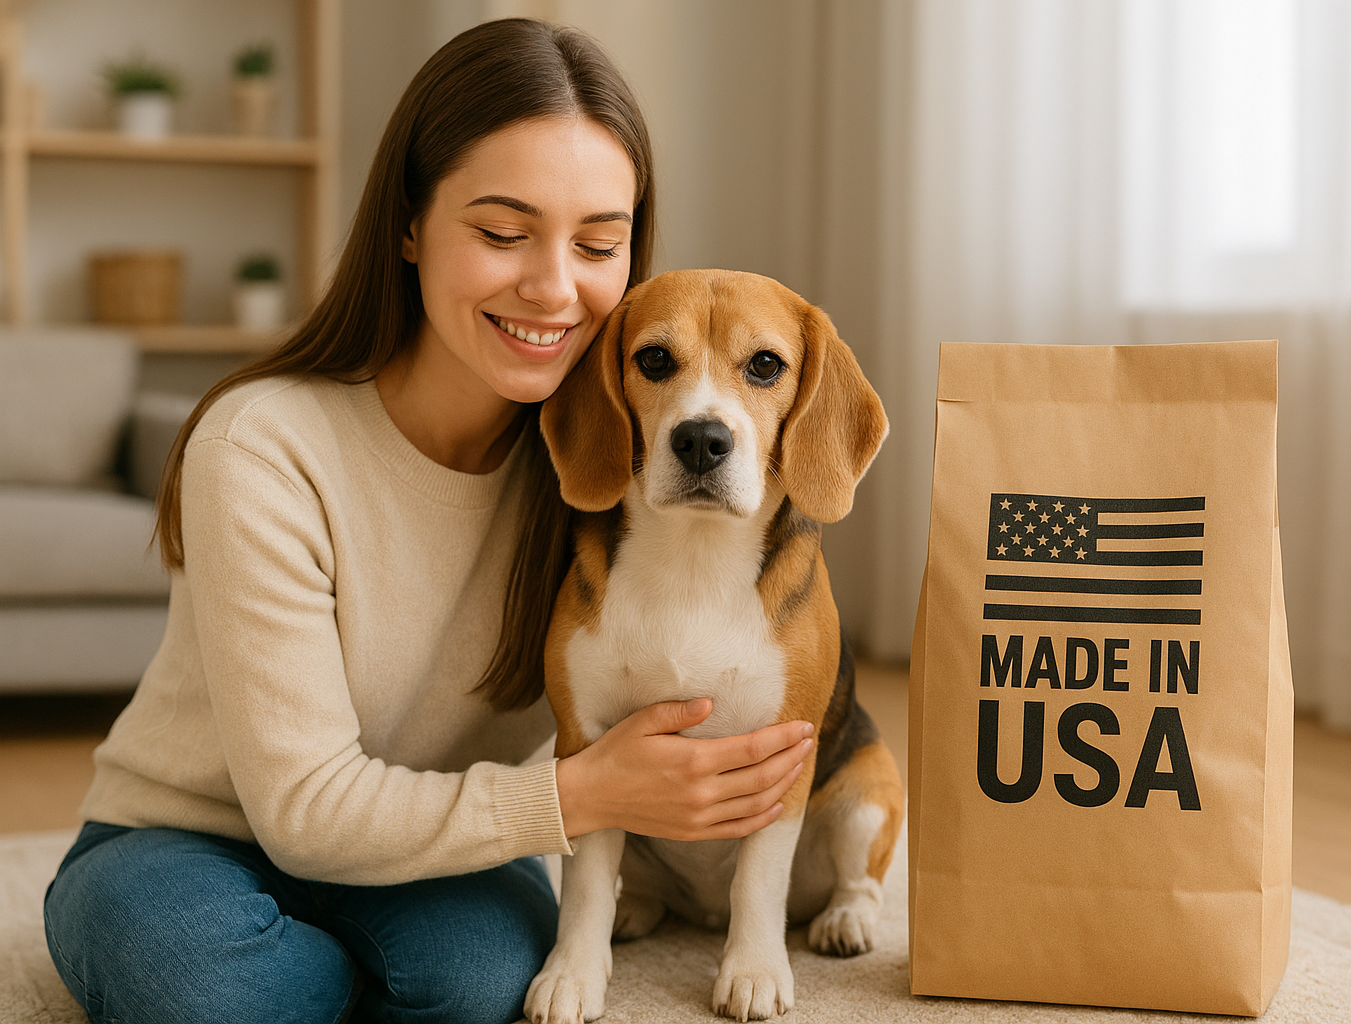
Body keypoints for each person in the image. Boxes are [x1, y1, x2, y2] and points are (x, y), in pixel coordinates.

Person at [42, 19, 812, 1024]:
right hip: (189, 831)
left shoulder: (611, 452)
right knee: (217, 986)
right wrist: (584, 796)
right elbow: (308, 810)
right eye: (501, 232)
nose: (552, 287)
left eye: (597, 242)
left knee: (485, 977)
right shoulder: (263, 446)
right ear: (409, 224)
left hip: (424, 845)